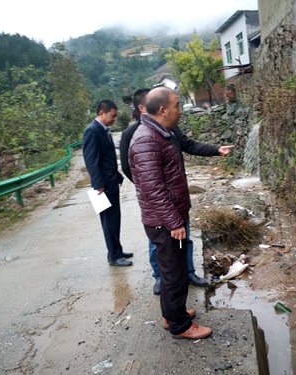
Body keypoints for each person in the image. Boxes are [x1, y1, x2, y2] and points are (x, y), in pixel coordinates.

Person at [120, 88, 234, 294]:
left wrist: (216, 150)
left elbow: (189, 145)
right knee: (163, 252)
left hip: (176, 203)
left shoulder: (170, 129)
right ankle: (161, 279)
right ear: (145, 107)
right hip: (161, 209)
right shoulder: (137, 135)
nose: (180, 110)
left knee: (182, 244)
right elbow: (133, 172)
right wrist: (150, 193)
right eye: (177, 105)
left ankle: (187, 273)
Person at [129, 87, 212, 339]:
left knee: (172, 271)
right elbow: (153, 189)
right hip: (165, 222)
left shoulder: (159, 133)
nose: (180, 109)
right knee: (174, 273)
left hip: (168, 218)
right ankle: (179, 326)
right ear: (163, 109)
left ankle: (173, 313)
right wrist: (175, 222)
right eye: (177, 104)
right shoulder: (147, 139)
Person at [83, 100, 133, 267]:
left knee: (115, 219)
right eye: (112, 116)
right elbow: (91, 161)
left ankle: (116, 250)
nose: (114, 119)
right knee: (109, 222)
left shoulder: (103, 130)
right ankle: (114, 255)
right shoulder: (92, 131)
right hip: (103, 186)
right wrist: (98, 185)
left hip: (111, 182)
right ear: (101, 113)